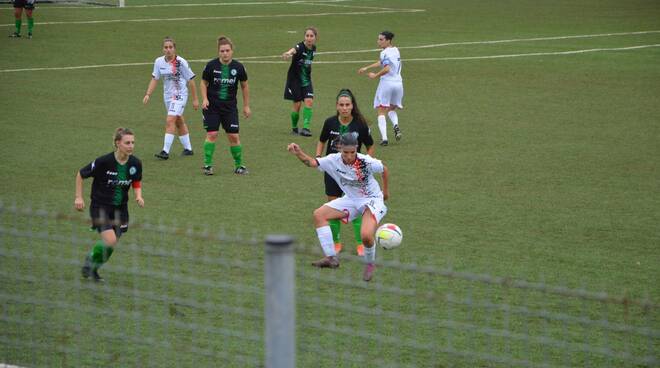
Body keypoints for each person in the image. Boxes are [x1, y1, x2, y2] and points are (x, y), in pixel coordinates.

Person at [287, 133, 389, 282]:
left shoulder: (365, 162)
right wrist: (298, 153)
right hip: (351, 199)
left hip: (372, 200)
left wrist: (385, 192)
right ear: (340, 149)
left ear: (356, 149)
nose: (349, 156)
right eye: (345, 153)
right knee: (319, 215)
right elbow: (312, 163)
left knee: (366, 236)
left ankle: (369, 265)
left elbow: (384, 169)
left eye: (352, 152)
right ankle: (331, 258)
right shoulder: (332, 160)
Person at [74, 128, 144, 282]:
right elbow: (81, 174)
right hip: (100, 207)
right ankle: (90, 259)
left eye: (133, 142)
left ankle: (93, 268)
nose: (131, 146)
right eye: (127, 143)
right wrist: (78, 197)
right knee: (110, 240)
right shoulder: (104, 162)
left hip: (121, 209)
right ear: (118, 143)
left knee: (111, 245)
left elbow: (136, 181)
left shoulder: (135, 163)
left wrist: (138, 195)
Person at [316, 88, 374, 257]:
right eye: (341, 105)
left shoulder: (360, 125)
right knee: (332, 207)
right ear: (337, 106)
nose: (344, 108)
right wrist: (319, 158)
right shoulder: (330, 123)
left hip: (353, 173)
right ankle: (336, 243)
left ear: (352, 106)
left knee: (356, 207)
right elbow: (321, 141)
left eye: (347, 104)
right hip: (333, 172)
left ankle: (360, 244)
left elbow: (370, 146)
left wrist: (366, 164)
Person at [200, 35, 251, 176]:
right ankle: (207, 165)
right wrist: (204, 99)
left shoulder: (239, 67)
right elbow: (203, 82)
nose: (225, 53)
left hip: (230, 108)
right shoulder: (211, 66)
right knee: (212, 133)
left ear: (232, 51)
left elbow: (244, 86)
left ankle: (239, 166)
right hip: (212, 107)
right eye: (222, 51)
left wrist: (246, 106)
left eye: (227, 50)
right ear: (218, 52)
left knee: (234, 137)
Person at [143, 37, 198, 160]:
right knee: (178, 120)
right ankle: (188, 149)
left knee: (170, 120)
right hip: (167, 96)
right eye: (166, 47)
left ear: (174, 48)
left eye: (170, 47)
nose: (168, 50)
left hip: (180, 95)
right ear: (163, 49)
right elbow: (155, 79)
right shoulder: (158, 62)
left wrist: (195, 99)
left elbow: (191, 81)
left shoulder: (181, 62)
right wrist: (148, 94)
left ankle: (165, 151)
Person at [358, 30, 403, 146]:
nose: (378, 41)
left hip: (387, 84)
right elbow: (382, 62)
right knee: (392, 109)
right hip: (398, 84)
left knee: (381, 111)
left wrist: (375, 75)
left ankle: (384, 139)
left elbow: (387, 68)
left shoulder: (384, 53)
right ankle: (396, 126)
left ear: (388, 40)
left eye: (381, 39)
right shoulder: (396, 50)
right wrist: (367, 67)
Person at [282, 26, 318, 137]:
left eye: (311, 36)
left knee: (309, 102)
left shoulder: (313, 49)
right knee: (297, 105)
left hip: (306, 80)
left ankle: (306, 128)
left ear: (315, 38)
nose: (309, 38)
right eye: (307, 35)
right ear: (304, 37)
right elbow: (294, 49)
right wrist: (289, 53)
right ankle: (294, 128)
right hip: (294, 80)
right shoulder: (300, 46)